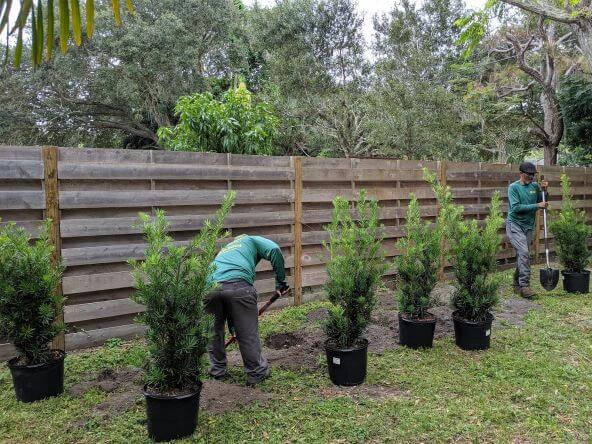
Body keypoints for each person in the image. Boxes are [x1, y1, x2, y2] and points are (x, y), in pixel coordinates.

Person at [206, 234, 289, 386]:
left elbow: (226, 296)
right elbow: (274, 249)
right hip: (238, 286)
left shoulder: (226, 250)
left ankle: (217, 371)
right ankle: (256, 373)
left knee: (214, 332)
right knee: (247, 333)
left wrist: (234, 327)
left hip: (209, 289)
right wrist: (281, 283)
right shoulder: (250, 240)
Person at [506, 161, 548, 298]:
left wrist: (545, 190)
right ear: (521, 173)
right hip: (515, 225)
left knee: (522, 255)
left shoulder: (535, 186)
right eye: (529, 174)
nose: (531, 176)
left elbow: (543, 201)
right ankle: (524, 286)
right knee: (524, 253)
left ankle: (516, 283)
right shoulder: (513, 187)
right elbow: (516, 208)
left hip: (529, 226)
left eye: (533, 174)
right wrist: (537, 205)